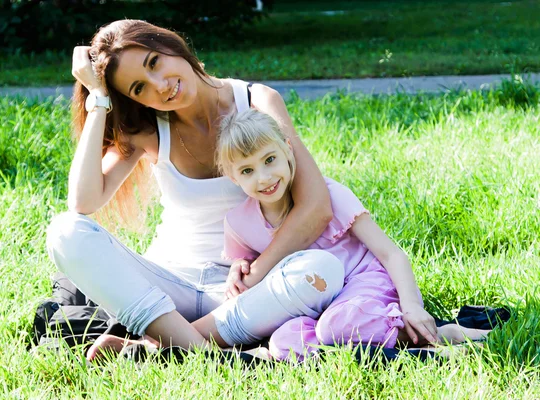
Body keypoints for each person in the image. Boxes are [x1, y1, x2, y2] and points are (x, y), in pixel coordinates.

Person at [45, 19, 348, 360]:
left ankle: (160, 346)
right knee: (64, 232)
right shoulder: (148, 132)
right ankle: (203, 352)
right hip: (169, 290)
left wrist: (256, 274)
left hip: (248, 290)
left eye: (154, 63)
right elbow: (83, 202)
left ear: (170, 45)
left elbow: (316, 206)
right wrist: (98, 98)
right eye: (139, 88)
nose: (160, 86)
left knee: (324, 271)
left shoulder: (256, 101)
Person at [215, 109, 490, 361]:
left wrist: (412, 306)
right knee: (284, 342)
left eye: (270, 159)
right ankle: (409, 350)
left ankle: (440, 335)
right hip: (314, 306)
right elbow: (247, 271)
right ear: (232, 177)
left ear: (288, 150)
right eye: (247, 170)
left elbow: (391, 254)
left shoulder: (329, 196)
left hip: (362, 283)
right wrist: (237, 269)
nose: (263, 177)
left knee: (338, 325)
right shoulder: (238, 223)